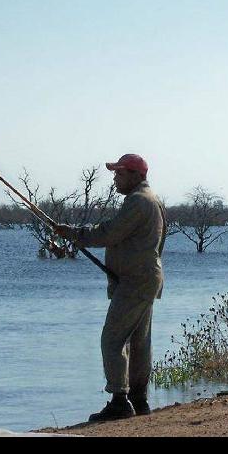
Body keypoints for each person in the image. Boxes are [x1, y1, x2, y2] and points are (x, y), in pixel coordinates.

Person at [52, 153, 167, 422]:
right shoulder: (152, 199)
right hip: (144, 279)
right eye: (115, 173)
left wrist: (73, 233)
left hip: (136, 281)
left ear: (137, 176)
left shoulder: (138, 201)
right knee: (139, 342)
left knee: (112, 340)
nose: (115, 178)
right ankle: (139, 400)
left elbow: (108, 233)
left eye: (120, 173)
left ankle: (119, 401)